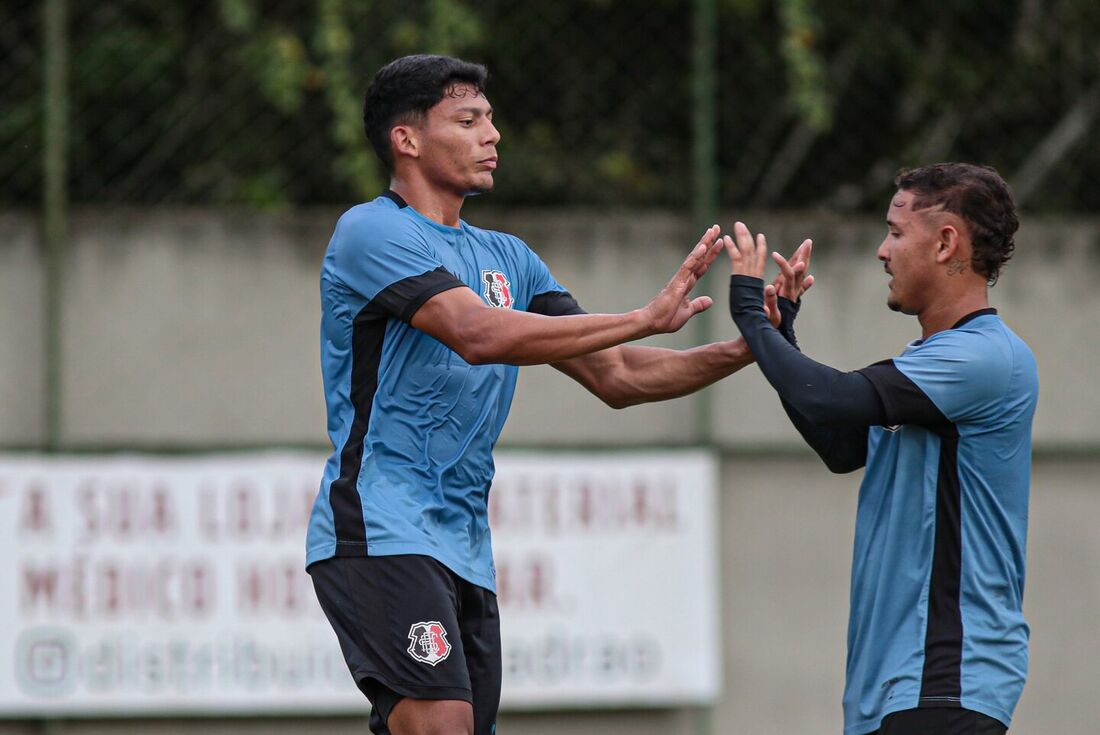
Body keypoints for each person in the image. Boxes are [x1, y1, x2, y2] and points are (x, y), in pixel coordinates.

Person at [306, 54, 761, 735]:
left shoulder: (510, 259)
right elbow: (475, 331)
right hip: (378, 526)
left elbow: (619, 376)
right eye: (467, 120)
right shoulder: (371, 233)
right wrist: (642, 314)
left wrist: (755, 347)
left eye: (490, 119)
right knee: (443, 723)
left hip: (464, 547)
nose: (492, 135)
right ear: (406, 140)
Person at [724, 163, 1037, 735]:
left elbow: (832, 400)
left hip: (945, 681)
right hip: (904, 687)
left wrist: (750, 312)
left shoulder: (983, 357)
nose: (881, 251)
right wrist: (781, 332)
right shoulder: (930, 365)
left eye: (895, 232)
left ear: (946, 244)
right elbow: (841, 444)